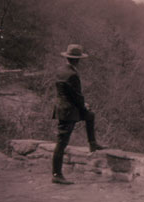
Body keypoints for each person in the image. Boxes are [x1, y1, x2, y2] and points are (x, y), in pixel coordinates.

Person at [51, 44, 107, 184]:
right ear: (78, 60)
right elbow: (77, 96)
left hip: (63, 107)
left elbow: (68, 94)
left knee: (90, 115)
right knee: (61, 142)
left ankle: (92, 144)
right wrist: (84, 106)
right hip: (68, 111)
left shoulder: (60, 70)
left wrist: (83, 107)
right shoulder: (73, 75)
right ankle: (56, 174)